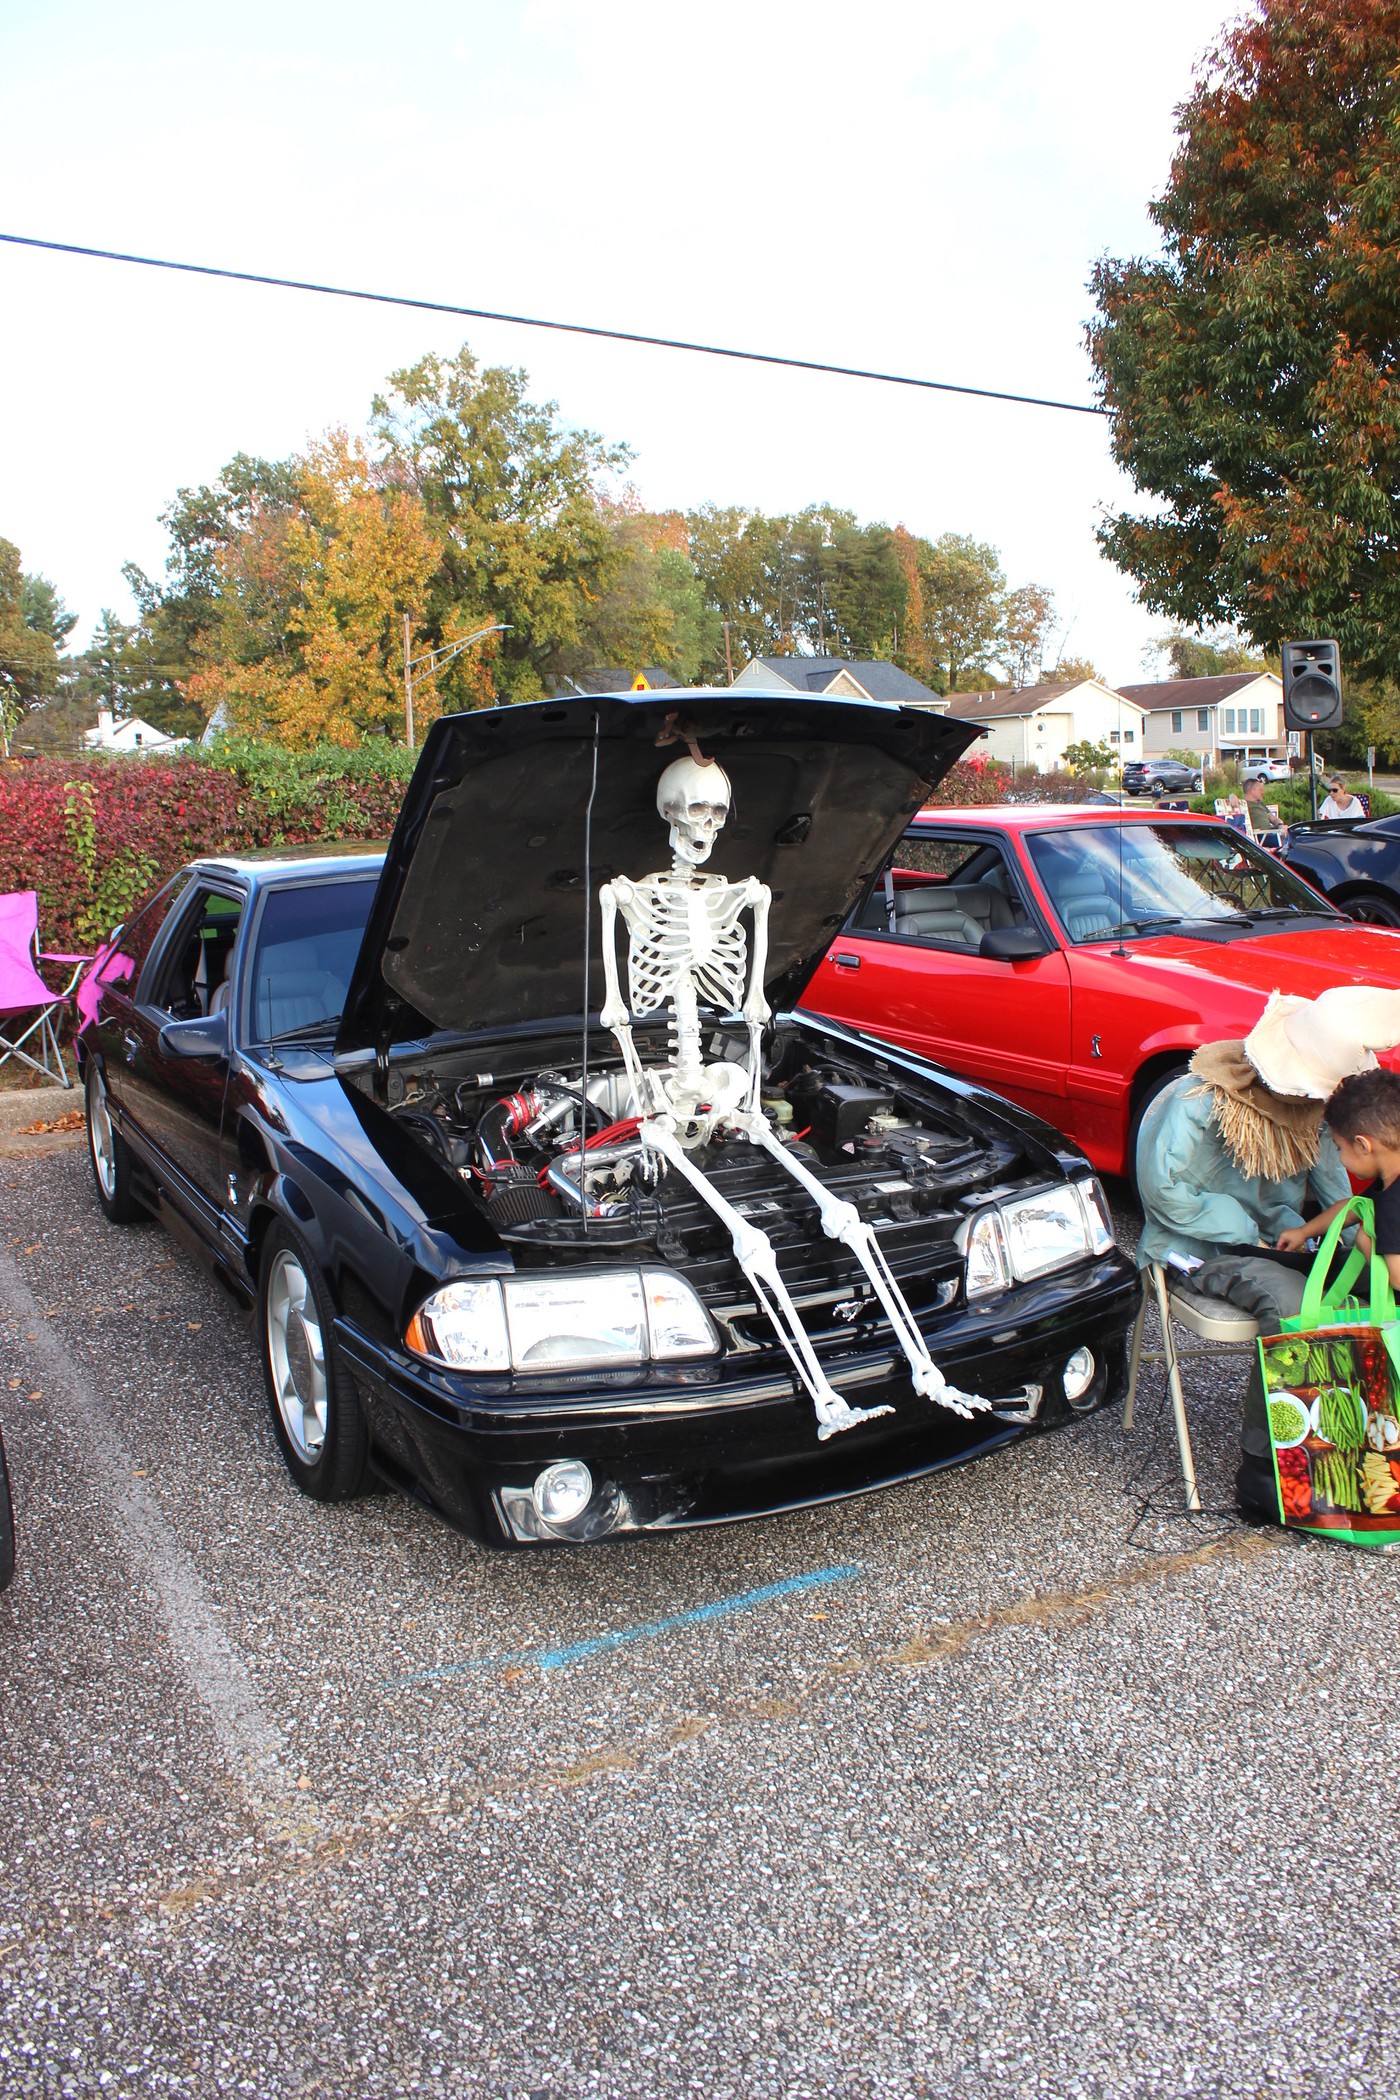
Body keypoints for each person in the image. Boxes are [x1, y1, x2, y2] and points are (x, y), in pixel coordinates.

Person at [1135, 986, 1400, 1284]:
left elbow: (1333, 1184)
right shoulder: (1198, 1098)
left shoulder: (1316, 1109)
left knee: (1353, 1292)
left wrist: (1350, 1245)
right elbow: (1162, 1190)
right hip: (1194, 1244)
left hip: (1281, 1243)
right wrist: (1245, 1230)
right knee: (1297, 1309)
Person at [1276, 1067, 1400, 1286]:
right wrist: (1304, 1232)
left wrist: (1365, 1243)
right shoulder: (1388, 1183)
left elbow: (1398, 1279)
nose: (1340, 1159)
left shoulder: (1392, 1205)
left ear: (1363, 1145)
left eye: (1339, 1148)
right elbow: (1352, 1208)